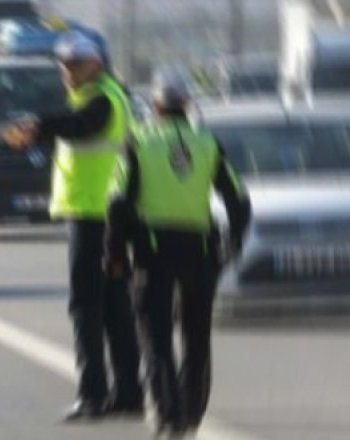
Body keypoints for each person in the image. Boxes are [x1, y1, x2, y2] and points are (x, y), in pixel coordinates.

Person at [3, 32, 143, 421]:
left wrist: (39, 125)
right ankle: (129, 392)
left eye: (75, 64)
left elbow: (83, 126)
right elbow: (76, 130)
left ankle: (93, 395)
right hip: (105, 215)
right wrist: (40, 130)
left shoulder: (104, 99)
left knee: (86, 306)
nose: (67, 71)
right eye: (63, 64)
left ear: (96, 64)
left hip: (94, 215)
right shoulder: (103, 95)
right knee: (115, 305)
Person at [104, 72, 252, 437]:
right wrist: (232, 243)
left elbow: (119, 202)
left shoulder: (138, 141)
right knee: (197, 336)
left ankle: (167, 413)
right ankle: (190, 414)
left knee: (155, 335)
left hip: (153, 250)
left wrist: (115, 252)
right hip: (199, 249)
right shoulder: (207, 143)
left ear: (154, 106)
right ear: (187, 105)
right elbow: (238, 199)